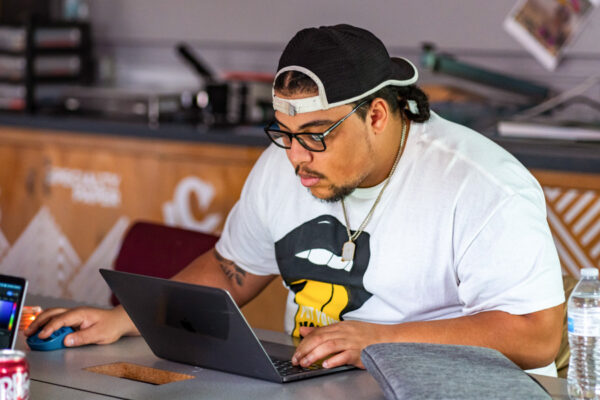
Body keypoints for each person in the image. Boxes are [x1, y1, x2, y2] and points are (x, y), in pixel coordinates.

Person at [26, 24, 564, 376]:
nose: (296, 158)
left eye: (316, 135)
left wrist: (381, 341)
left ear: (377, 115)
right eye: (283, 132)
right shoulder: (284, 165)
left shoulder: (481, 186)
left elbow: (536, 335)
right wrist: (129, 319)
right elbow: (232, 267)